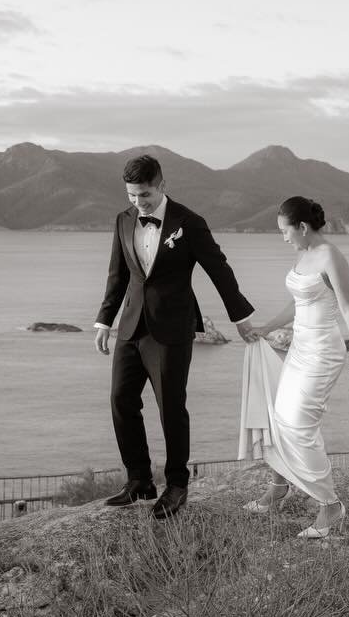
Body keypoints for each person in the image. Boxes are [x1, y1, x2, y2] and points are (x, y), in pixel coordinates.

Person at [94, 154, 257, 519]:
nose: (139, 203)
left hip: (171, 330)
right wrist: (104, 320)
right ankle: (139, 481)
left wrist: (240, 316)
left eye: (145, 195)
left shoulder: (189, 222)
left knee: (171, 407)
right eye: (132, 196)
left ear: (162, 185)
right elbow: (117, 274)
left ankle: (177, 484)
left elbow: (219, 269)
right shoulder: (123, 220)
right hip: (131, 326)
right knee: (121, 399)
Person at [240, 195, 349, 538]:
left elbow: (348, 309)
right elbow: (297, 302)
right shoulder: (303, 254)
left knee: (299, 424)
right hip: (299, 349)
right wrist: (267, 328)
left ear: (302, 227)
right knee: (278, 418)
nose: (283, 237)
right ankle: (279, 487)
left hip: (324, 352)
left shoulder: (331, 256)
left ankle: (330, 506)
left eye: (285, 231)